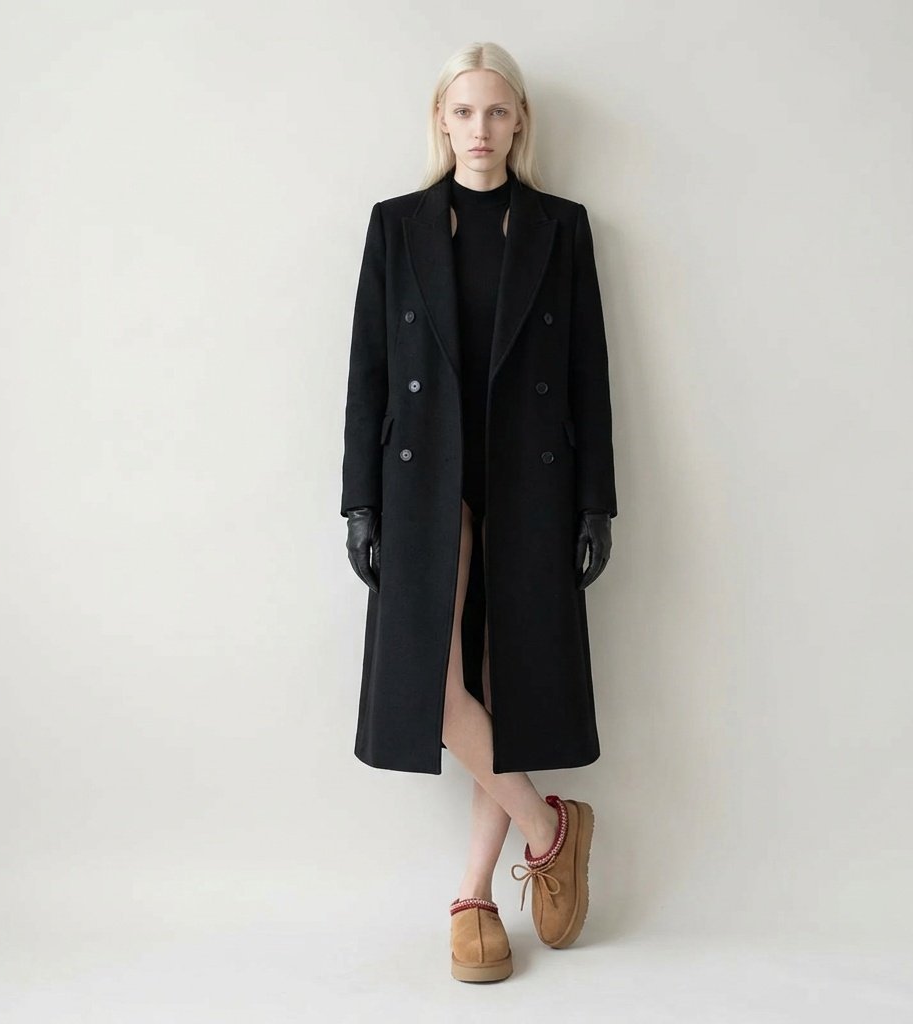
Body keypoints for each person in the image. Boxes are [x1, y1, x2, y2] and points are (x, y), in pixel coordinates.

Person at [340, 41, 617, 983]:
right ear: (441, 120)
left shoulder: (561, 227)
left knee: (507, 691)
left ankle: (474, 898)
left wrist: (596, 500)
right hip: (423, 479)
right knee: (433, 683)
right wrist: (359, 501)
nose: (480, 129)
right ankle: (549, 829)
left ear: (519, 120)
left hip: (531, 481)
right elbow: (368, 371)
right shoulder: (396, 225)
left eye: (497, 111)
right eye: (463, 112)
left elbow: (588, 371)